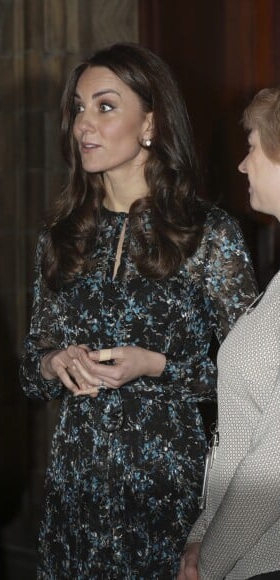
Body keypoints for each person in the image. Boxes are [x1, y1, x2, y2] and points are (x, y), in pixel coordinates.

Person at [19, 42, 258, 579]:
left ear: (149, 123)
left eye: (105, 107)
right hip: (77, 488)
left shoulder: (207, 234)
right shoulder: (62, 235)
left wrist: (157, 366)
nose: (84, 124)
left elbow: (259, 382)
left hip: (168, 486)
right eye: (78, 108)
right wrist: (55, 361)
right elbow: (30, 372)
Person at [178, 88, 280, 580]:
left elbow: (275, 455)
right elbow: (241, 428)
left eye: (253, 147)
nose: (242, 166)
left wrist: (210, 561)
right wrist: (202, 531)